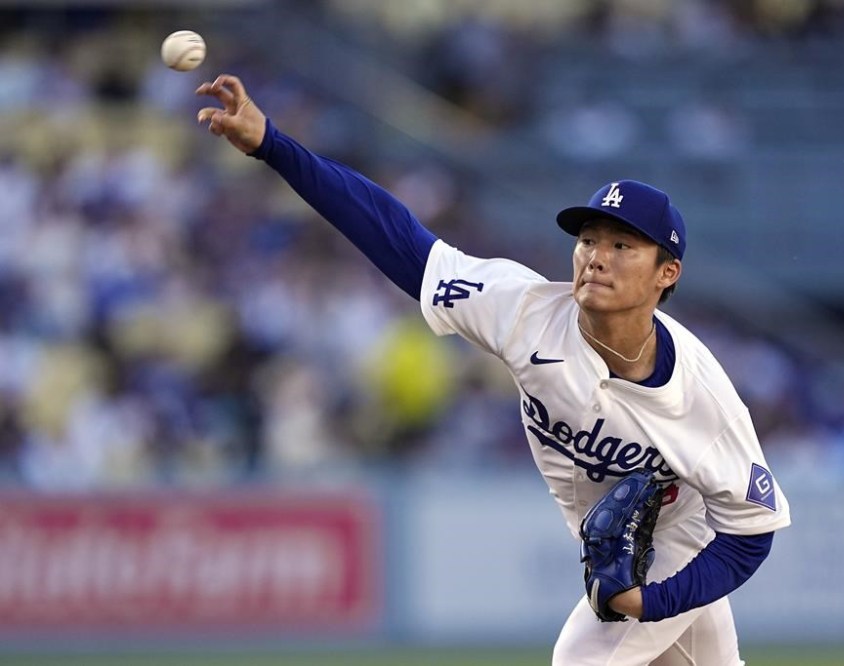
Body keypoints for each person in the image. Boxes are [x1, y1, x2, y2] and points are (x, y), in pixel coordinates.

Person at [196, 73, 791, 666]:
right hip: (618, 544)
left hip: (677, 537)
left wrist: (653, 601)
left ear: (667, 273)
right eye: (589, 239)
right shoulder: (524, 310)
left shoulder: (701, 397)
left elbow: (750, 534)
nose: (596, 258)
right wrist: (273, 144)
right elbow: (396, 237)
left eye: (622, 246)